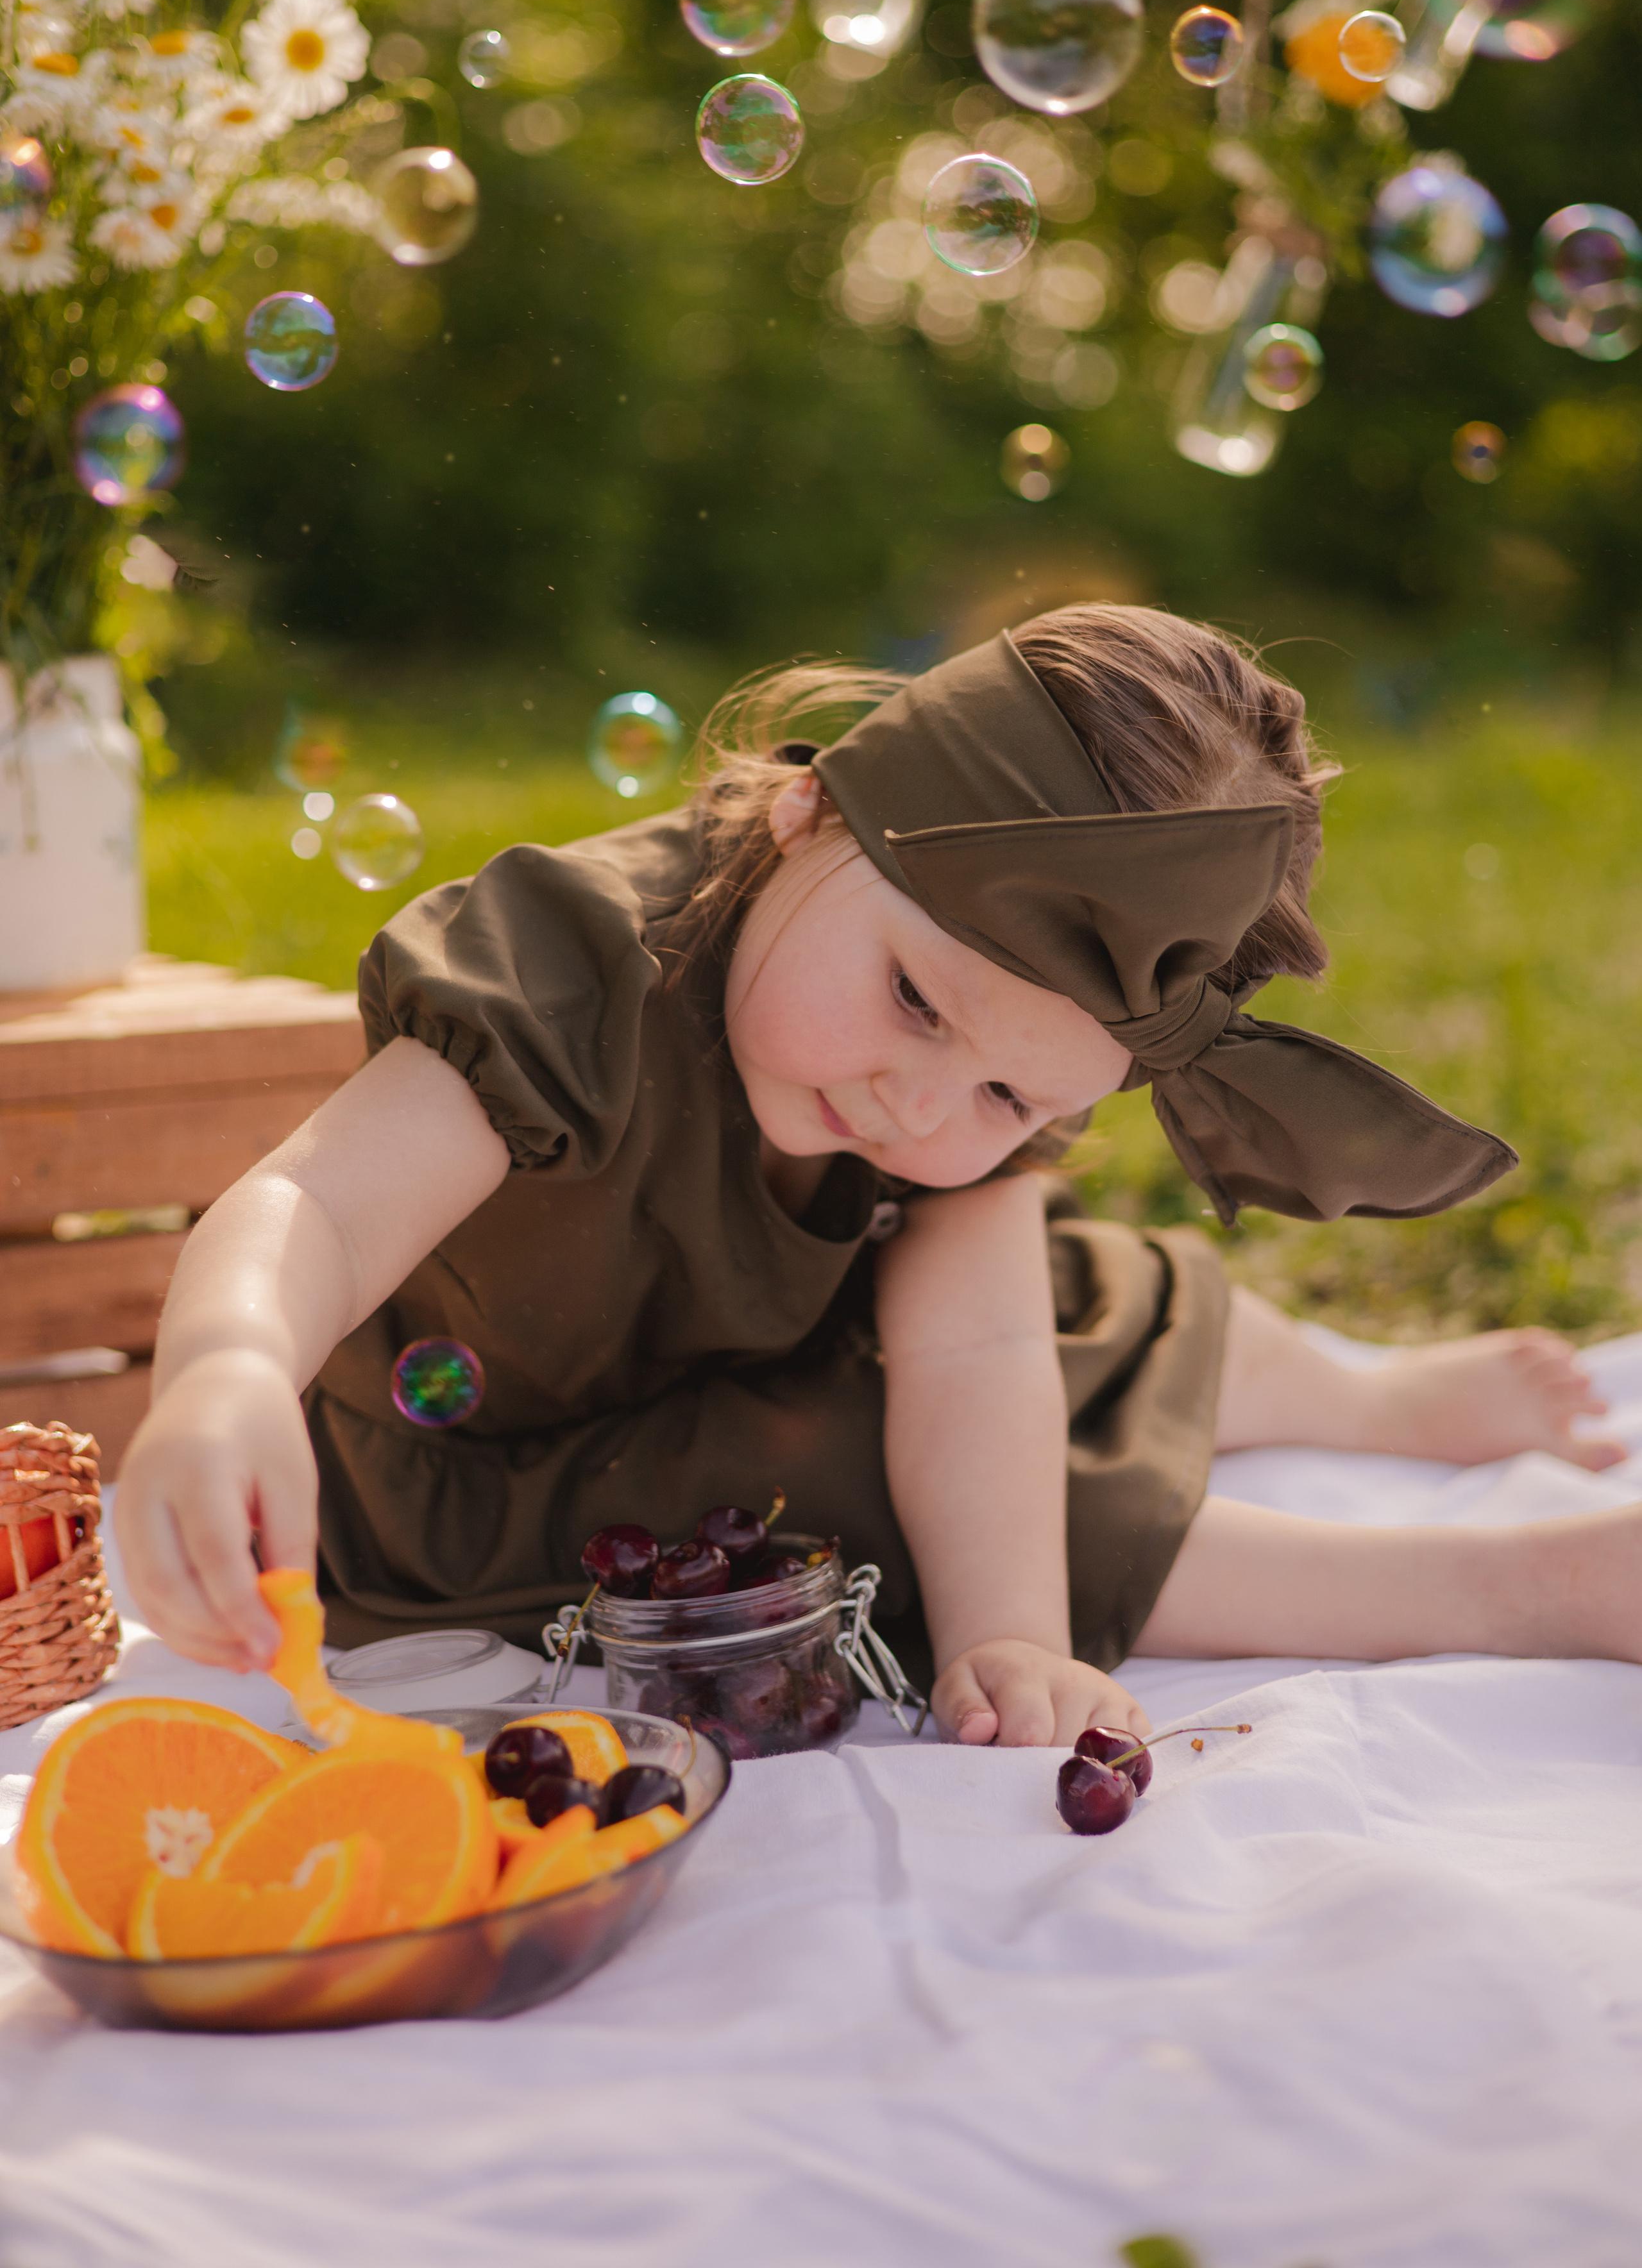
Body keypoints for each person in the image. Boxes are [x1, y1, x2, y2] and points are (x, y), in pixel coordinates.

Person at [115, 607, 1631, 1751]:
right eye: (914, 1002)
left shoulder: (959, 1089)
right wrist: (228, 1370)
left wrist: (1010, 1629)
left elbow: (974, 1356)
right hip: (488, 1463)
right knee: (875, 1499)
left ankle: (1355, 1402)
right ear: (808, 808)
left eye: (1011, 1093)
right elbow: (313, 1202)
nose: (920, 1102)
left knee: (1040, 1314)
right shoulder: (579, 961)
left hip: (768, 1343)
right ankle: (1499, 1589)